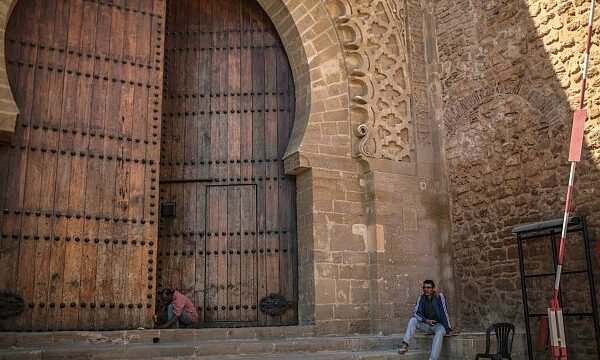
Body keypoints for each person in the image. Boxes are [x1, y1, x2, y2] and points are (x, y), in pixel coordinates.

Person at [398, 280, 452, 359]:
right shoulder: (421, 298)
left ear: (433, 288)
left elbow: (444, 313)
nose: (426, 289)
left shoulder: (439, 296)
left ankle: (432, 359)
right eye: (424, 287)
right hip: (426, 325)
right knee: (413, 320)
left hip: (438, 325)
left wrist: (448, 328)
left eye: (428, 287)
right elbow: (416, 313)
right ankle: (405, 345)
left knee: (440, 332)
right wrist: (426, 321)